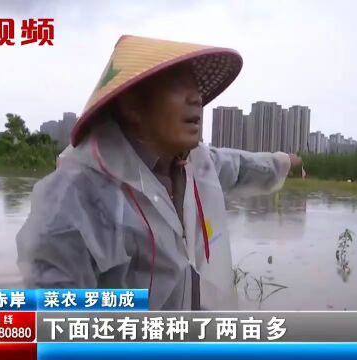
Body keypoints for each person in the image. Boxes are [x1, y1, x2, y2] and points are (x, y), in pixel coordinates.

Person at [16, 35, 304, 310]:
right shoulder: (75, 194)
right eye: (179, 86)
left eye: (198, 89)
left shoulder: (194, 165)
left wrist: (285, 162)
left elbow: (241, 167)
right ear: (132, 106)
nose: (197, 100)